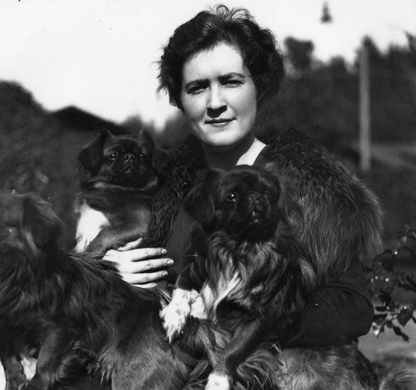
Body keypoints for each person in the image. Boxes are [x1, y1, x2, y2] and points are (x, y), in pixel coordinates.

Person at [103, 4, 382, 350]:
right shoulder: (158, 186)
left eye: (231, 82)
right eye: (198, 88)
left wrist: (237, 325)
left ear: (258, 88)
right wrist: (108, 275)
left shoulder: (310, 187)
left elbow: (351, 308)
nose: (215, 102)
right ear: (179, 99)